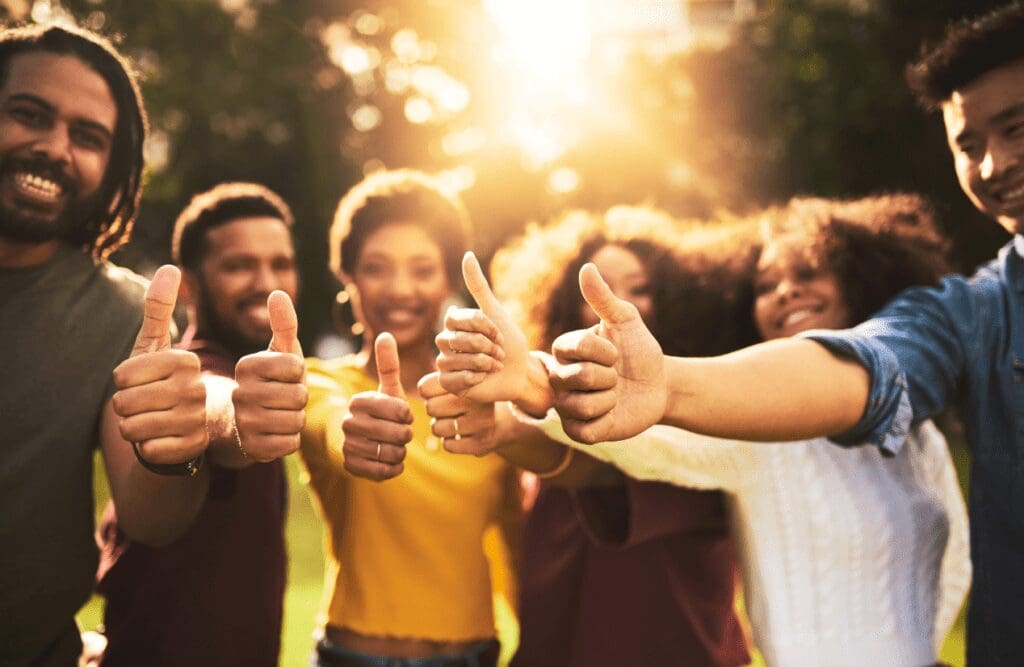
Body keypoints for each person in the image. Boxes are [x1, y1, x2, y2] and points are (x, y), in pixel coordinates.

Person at [537, 5, 1024, 663]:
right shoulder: (969, 313)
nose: (993, 165)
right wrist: (671, 381)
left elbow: (954, 562)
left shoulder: (923, 439)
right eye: (967, 146)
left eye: (1014, 129)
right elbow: (868, 363)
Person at [433, 195, 971, 665]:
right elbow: (647, 444)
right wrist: (534, 386)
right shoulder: (748, 433)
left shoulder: (914, 430)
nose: (786, 292)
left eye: (806, 273)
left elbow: (954, 561)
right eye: (766, 285)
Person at [0, 25, 305, 666]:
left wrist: (209, 430)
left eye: (88, 137)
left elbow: (155, 511)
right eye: (28, 115)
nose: (55, 148)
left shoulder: (123, 313)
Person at [435, 207, 753, 667]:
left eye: (639, 288)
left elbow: (601, 471)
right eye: (594, 289)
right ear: (565, 302)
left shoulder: (710, 416)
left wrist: (522, 409)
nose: (616, 304)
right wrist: (518, 408)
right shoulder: (546, 406)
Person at [300, 169, 520, 667]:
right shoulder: (322, 383)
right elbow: (331, 425)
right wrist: (356, 433)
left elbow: (517, 542)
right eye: (377, 267)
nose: (401, 289)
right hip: (352, 658)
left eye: (423, 269)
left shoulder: (485, 403)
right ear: (347, 277)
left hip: (476, 656)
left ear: (447, 281)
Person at [93, 183, 300, 666]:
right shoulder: (184, 379)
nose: (265, 282)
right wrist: (237, 420)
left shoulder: (264, 379)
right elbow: (211, 397)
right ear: (188, 285)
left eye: (280, 264)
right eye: (238, 265)